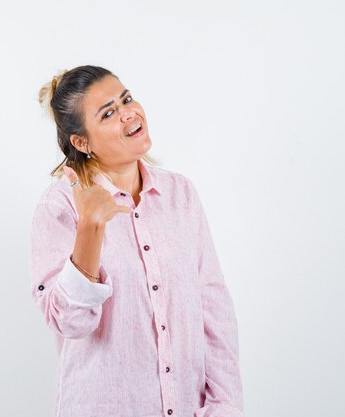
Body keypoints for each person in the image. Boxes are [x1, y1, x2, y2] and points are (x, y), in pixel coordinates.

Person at [29, 65, 244, 417]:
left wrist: (225, 406)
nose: (128, 112)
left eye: (126, 98)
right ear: (82, 142)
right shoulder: (58, 207)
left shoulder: (180, 194)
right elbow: (69, 322)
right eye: (109, 113)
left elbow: (213, 307)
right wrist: (90, 228)